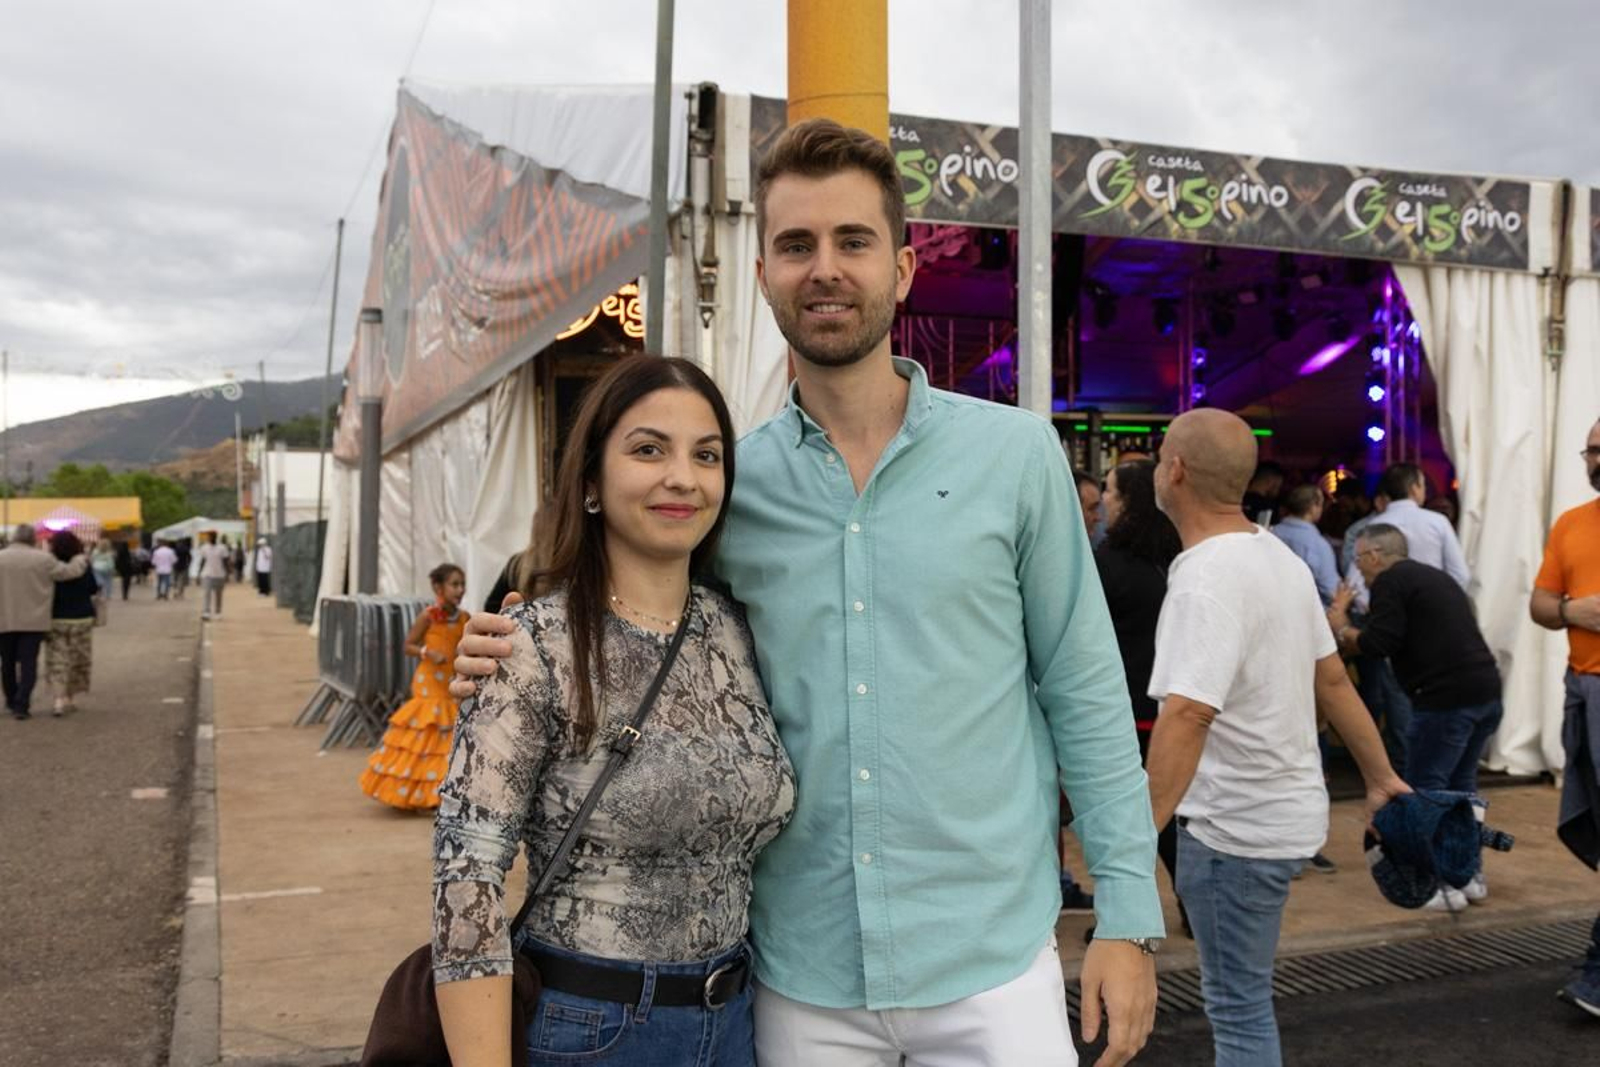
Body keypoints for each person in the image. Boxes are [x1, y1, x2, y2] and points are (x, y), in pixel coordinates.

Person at [456, 118, 1163, 1066]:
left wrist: (1125, 913)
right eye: (796, 244)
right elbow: (622, 599)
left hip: (991, 963)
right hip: (801, 976)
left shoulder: (1017, 456)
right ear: (763, 275)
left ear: (903, 271)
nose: (824, 267)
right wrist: (501, 646)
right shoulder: (729, 486)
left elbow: (1085, 693)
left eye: (852, 241)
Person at [432, 356, 795, 1065]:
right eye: (648, 449)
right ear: (592, 481)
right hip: (592, 1028)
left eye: (707, 455)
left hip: (739, 1023)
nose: (683, 476)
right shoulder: (532, 644)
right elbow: (465, 876)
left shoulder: (740, 629)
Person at [1145, 409, 1409, 1066]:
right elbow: (1335, 683)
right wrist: (1378, 777)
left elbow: (1188, 715)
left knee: (1237, 1011)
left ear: (1175, 470)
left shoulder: (1204, 576)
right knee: (1244, 1001)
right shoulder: (1280, 559)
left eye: (1158, 458)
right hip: (1283, 818)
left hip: (1234, 829)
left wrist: (1133, 833)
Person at [1329, 522, 1502, 910]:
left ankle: (1439, 886)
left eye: (1359, 560)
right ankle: (1469, 876)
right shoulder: (1433, 577)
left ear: (1374, 555)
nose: (1360, 571)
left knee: (1428, 790)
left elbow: (1378, 643)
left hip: (1444, 700)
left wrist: (1341, 627)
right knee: (1462, 789)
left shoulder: (1391, 581)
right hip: (1485, 691)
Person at [1530, 416, 1600, 1016]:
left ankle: (1598, 970)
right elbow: (1540, 604)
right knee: (1591, 818)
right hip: (1583, 690)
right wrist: (1575, 609)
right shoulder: (1572, 523)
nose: (1595, 459)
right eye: (1591, 450)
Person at [1096, 458, 1184, 912]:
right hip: (1172, 704)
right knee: (1169, 812)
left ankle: (1126, 914)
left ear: (1128, 501)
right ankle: (1190, 902)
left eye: (1109, 491)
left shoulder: (1106, 564)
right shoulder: (1181, 557)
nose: (1103, 503)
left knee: (1128, 819)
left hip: (1125, 707)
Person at [359, 563, 470, 811]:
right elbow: (408, 645)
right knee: (428, 733)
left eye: (462, 585)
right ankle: (420, 793)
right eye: (454, 584)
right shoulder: (428, 616)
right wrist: (427, 652)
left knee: (446, 738)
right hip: (429, 681)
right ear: (438, 587)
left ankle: (438, 792)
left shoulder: (464, 618)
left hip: (451, 682)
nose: (460, 590)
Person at [0, 524, 89, 720]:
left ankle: (11, 699)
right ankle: (22, 705)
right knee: (28, 662)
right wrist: (80, 559)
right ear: (33, 539)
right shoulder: (43, 559)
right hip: (34, 619)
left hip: (4, 618)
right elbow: (68, 573)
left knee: (6, 662)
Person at [45, 530, 100, 717]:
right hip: (81, 617)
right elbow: (93, 588)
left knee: (57, 659)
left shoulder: (50, 567)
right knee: (78, 659)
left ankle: (57, 700)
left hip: (56, 617)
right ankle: (70, 697)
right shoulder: (84, 564)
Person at [1272, 485, 1338, 605]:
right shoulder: (1318, 545)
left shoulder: (1270, 533)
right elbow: (1331, 590)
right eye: (1320, 505)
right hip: (1307, 612)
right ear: (1313, 508)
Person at [195, 530, 231, 619]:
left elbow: (225, 561)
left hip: (219, 574)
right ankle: (206, 612)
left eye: (212, 536)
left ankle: (218, 612)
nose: (210, 538)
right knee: (207, 593)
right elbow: (202, 561)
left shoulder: (222, 548)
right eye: (209, 536)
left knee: (218, 594)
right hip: (207, 574)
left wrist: (227, 574)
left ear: (215, 537)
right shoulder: (204, 548)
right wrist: (198, 574)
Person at [1240, 460, 1285, 525]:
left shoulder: (1234, 500)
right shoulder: (1269, 508)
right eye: (1278, 486)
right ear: (1271, 481)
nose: (1278, 490)